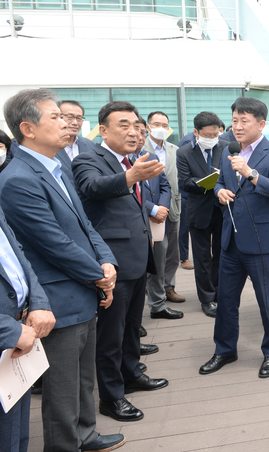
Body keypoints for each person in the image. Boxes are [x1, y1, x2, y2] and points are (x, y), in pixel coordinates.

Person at [0, 89, 125, 451]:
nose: (67, 122)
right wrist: (99, 274)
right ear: (27, 128)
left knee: (83, 379)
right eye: (55, 117)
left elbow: (84, 224)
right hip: (56, 297)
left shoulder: (57, 165)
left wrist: (106, 261)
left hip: (83, 288)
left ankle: (86, 435)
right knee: (62, 388)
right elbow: (53, 243)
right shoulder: (18, 178)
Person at [72, 101, 169, 422]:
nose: (134, 132)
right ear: (103, 130)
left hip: (138, 258)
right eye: (124, 125)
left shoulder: (134, 161)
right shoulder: (90, 159)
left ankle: (131, 375)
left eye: (137, 127)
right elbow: (91, 187)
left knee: (131, 329)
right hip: (112, 262)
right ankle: (111, 397)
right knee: (110, 336)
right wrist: (129, 176)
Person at [199, 97, 269, 379]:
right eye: (235, 120)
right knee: (226, 301)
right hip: (230, 242)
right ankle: (225, 349)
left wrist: (250, 173)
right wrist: (218, 192)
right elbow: (219, 181)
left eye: (244, 121)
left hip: (263, 243)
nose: (237, 126)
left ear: (261, 124)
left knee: (268, 302)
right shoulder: (228, 150)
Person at [0, 205, 54, 452]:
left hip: (19, 337)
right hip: (10, 334)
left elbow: (17, 254)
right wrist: (8, 331)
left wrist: (38, 302)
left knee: (16, 436)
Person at [176, 111, 227, 318]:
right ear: (196, 132)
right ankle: (206, 298)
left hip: (222, 209)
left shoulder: (225, 148)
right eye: (207, 135)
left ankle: (218, 293)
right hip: (199, 211)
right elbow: (185, 183)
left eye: (215, 134)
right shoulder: (184, 152)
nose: (212, 138)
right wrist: (208, 183)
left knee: (221, 255)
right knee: (202, 257)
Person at [143, 111, 186, 305]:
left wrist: (165, 205)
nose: (161, 128)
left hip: (171, 207)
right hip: (148, 209)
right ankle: (153, 292)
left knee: (171, 253)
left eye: (165, 125)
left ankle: (169, 287)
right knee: (154, 253)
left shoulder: (175, 150)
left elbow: (172, 181)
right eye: (156, 124)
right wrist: (155, 208)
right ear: (148, 126)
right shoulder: (139, 148)